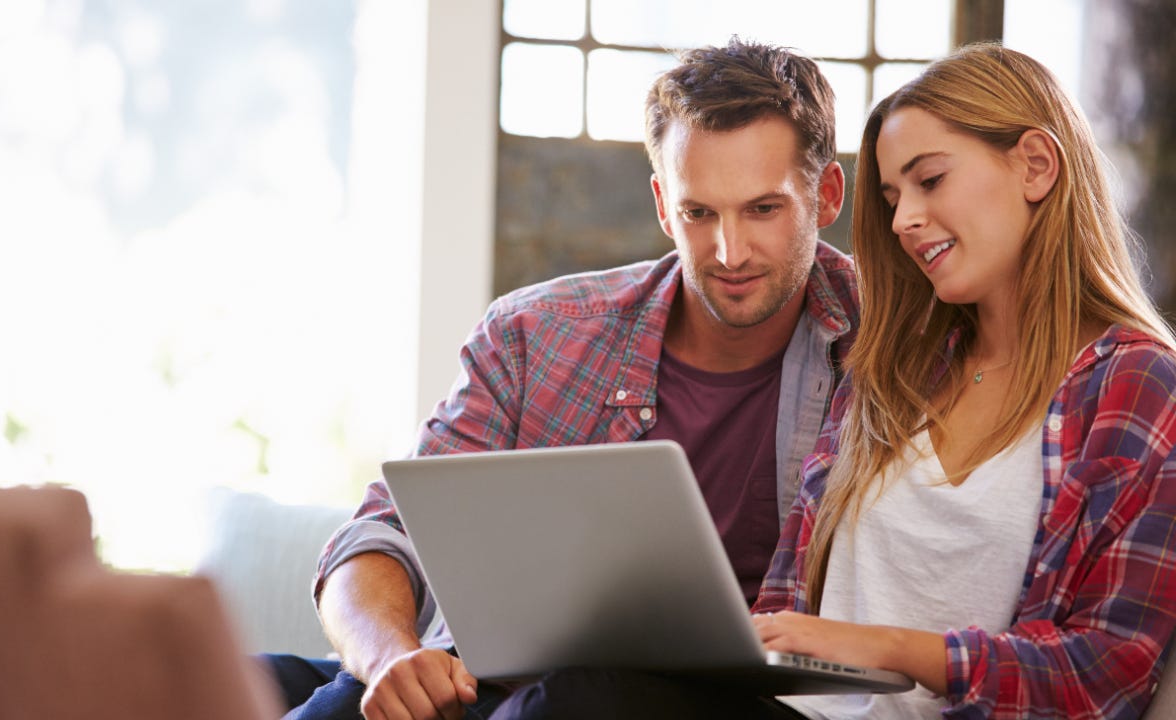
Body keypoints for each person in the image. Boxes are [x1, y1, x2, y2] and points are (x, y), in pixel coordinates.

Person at [492, 42, 1176, 720]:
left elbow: (1104, 672)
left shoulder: (1136, 384)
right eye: (892, 195)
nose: (904, 218)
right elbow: (789, 607)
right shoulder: (892, 363)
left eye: (929, 180)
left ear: (1035, 165)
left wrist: (883, 648)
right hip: (788, 713)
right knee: (560, 690)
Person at [262, 38, 854, 720]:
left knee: (577, 697)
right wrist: (390, 658)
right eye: (699, 213)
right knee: (269, 685)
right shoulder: (534, 334)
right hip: (489, 678)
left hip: (696, 703)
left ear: (826, 194)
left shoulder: (888, 347)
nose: (729, 251)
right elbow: (383, 534)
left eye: (763, 209)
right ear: (664, 206)